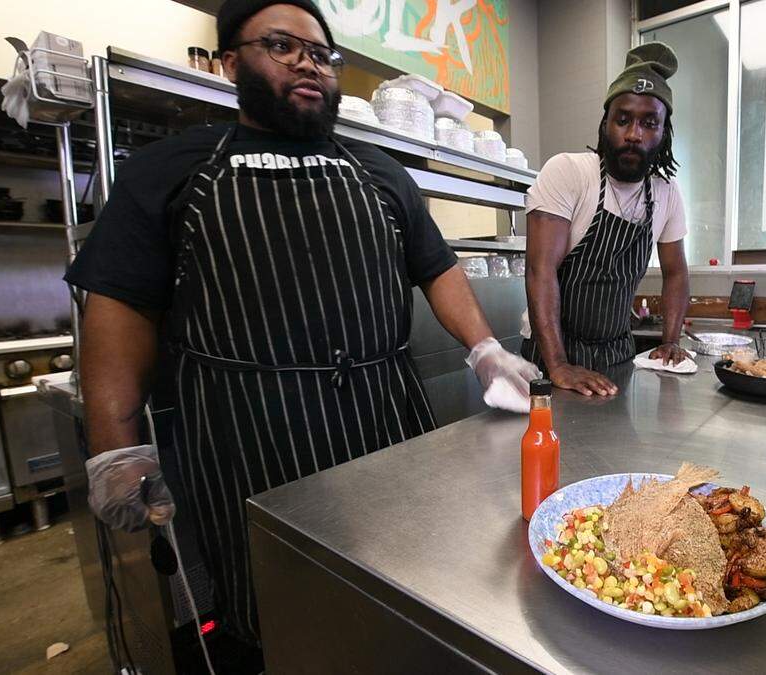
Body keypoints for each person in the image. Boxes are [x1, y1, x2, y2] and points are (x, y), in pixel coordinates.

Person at [65, 0, 538, 665]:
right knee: (276, 609)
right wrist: (116, 449)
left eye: (320, 53)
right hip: (248, 443)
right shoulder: (172, 171)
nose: (307, 63)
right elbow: (119, 310)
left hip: (383, 428)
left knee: (397, 588)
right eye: (282, 47)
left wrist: (485, 347)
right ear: (231, 62)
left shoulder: (379, 171)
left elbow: (437, 268)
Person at [522, 42, 690, 396]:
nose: (633, 134)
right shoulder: (569, 173)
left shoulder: (666, 193)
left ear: (664, 133)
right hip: (553, 352)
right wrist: (559, 366)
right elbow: (540, 270)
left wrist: (671, 341)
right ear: (605, 123)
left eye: (649, 123)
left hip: (618, 354)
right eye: (623, 119)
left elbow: (676, 273)